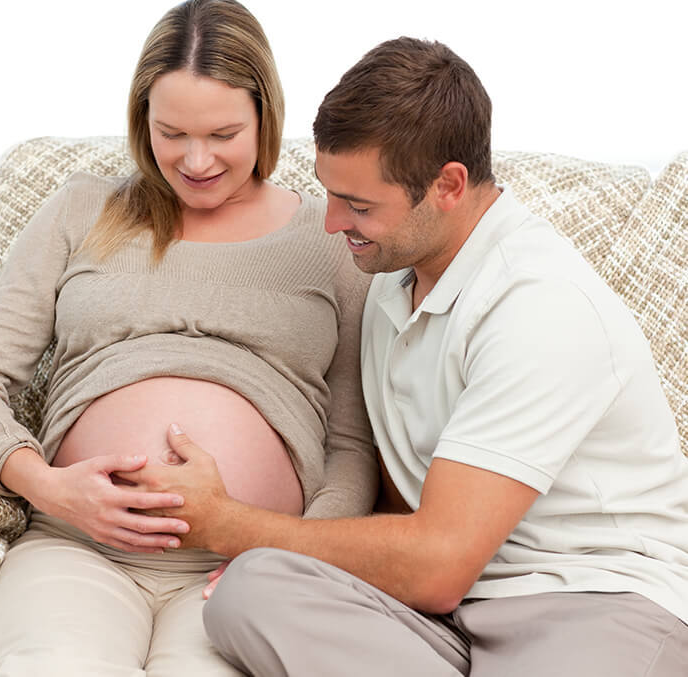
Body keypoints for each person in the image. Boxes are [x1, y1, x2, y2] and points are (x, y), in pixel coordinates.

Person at [122, 37, 688, 676]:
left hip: (587, 602)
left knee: (261, 558)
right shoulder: (393, 278)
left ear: (448, 185)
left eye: (360, 206)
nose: (332, 223)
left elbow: (439, 563)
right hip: (448, 616)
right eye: (330, 194)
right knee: (253, 591)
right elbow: (398, 508)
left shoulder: (542, 308)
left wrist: (227, 523)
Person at [0, 1, 377, 675]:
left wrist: (294, 552)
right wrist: (47, 486)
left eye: (223, 133)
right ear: (142, 122)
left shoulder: (330, 239)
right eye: (172, 133)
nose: (195, 161)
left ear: (265, 117)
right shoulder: (81, 210)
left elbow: (352, 442)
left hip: (244, 568)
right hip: (77, 550)